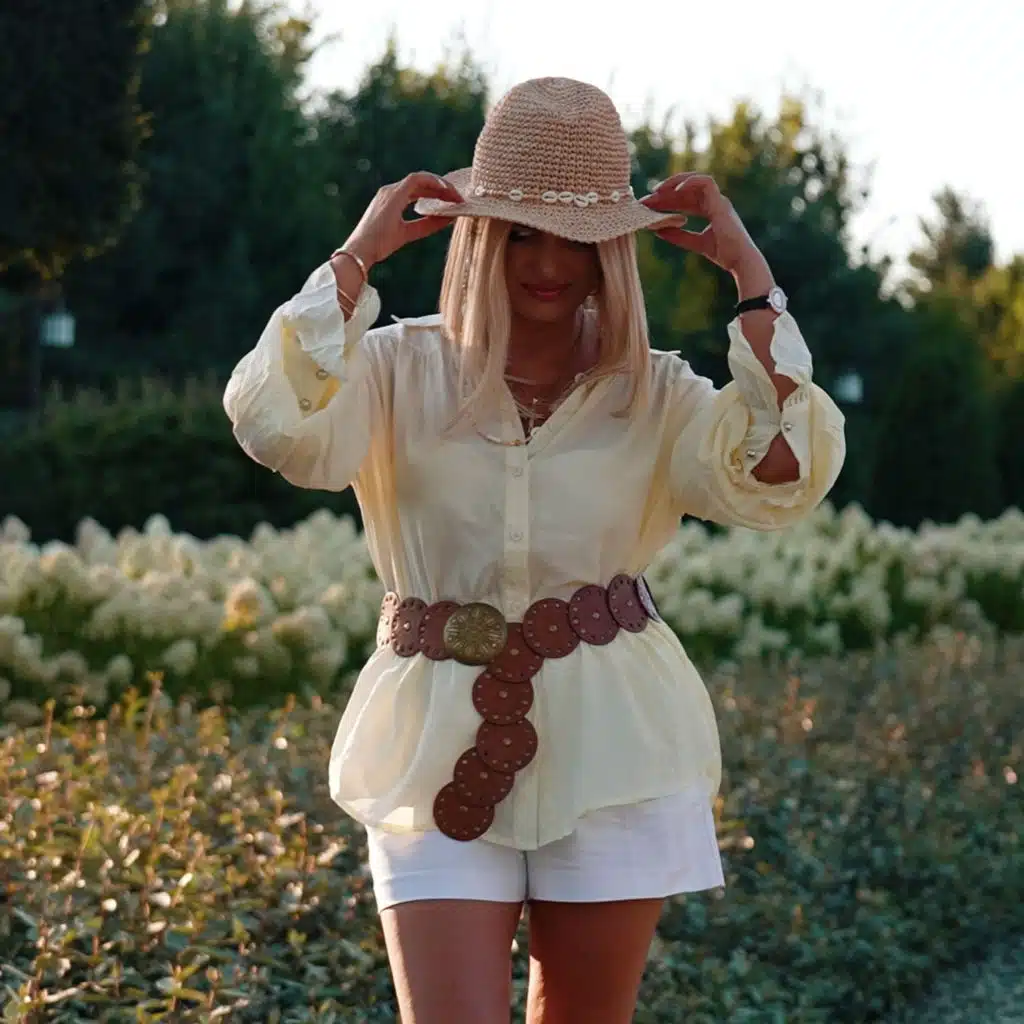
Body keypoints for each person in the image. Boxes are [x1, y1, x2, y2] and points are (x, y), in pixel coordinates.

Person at [223, 77, 846, 1024]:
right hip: (430, 748)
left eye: (578, 240)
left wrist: (754, 282)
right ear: (478, 237)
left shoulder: (659, 394)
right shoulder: (392, 368)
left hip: (617, 748)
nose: (549, 263)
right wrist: (355, 258)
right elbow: (273, 424)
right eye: (520, 234)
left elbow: (780, 474)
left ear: (612, 255)